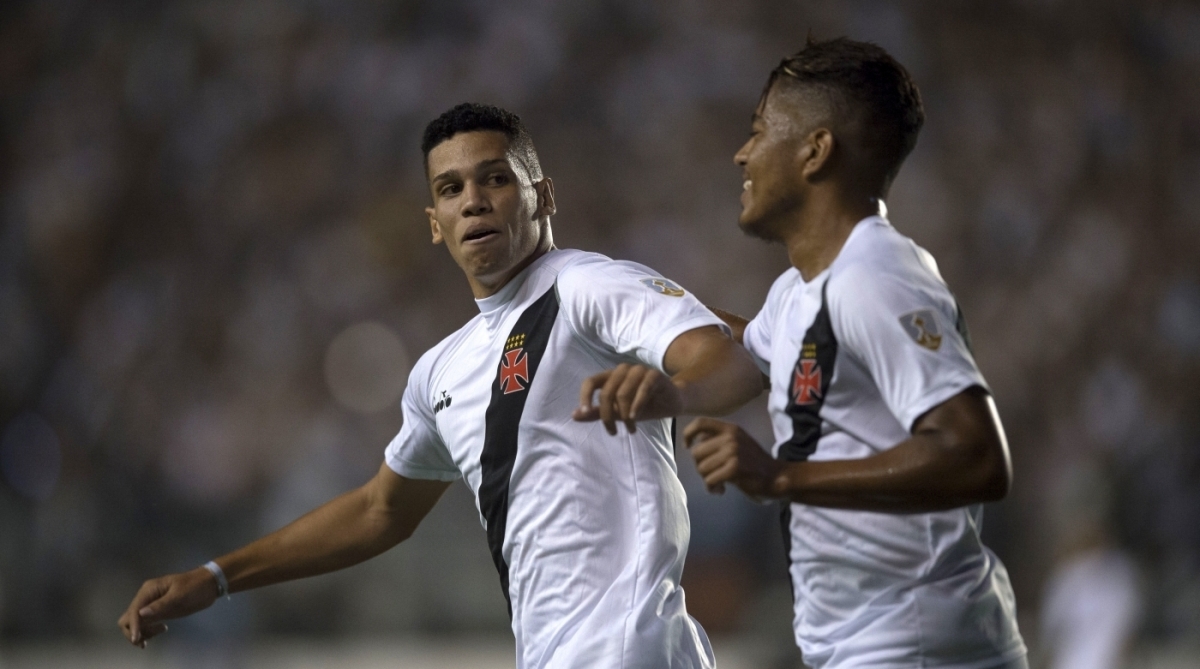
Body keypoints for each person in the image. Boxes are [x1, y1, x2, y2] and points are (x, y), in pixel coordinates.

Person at [118, 103, 764, 668]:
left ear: (544, 195)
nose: (473, 200)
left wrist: (676, 393)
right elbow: (379, 510)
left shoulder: (586, 285)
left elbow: (728, 356)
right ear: (435, 222)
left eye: (495, 178)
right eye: (451, 189)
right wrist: (217, 576)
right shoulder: (440, 370)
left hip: (630, 652)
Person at [684, 39, 1029, 669]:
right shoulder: (802, 291)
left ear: (816, 151)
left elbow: (976, 455)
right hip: (869, 643)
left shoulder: (877, 277)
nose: (742, 153)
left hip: (917, 645)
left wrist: (781, 477)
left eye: (759, 130)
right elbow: (742, 353)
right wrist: (624, 306)